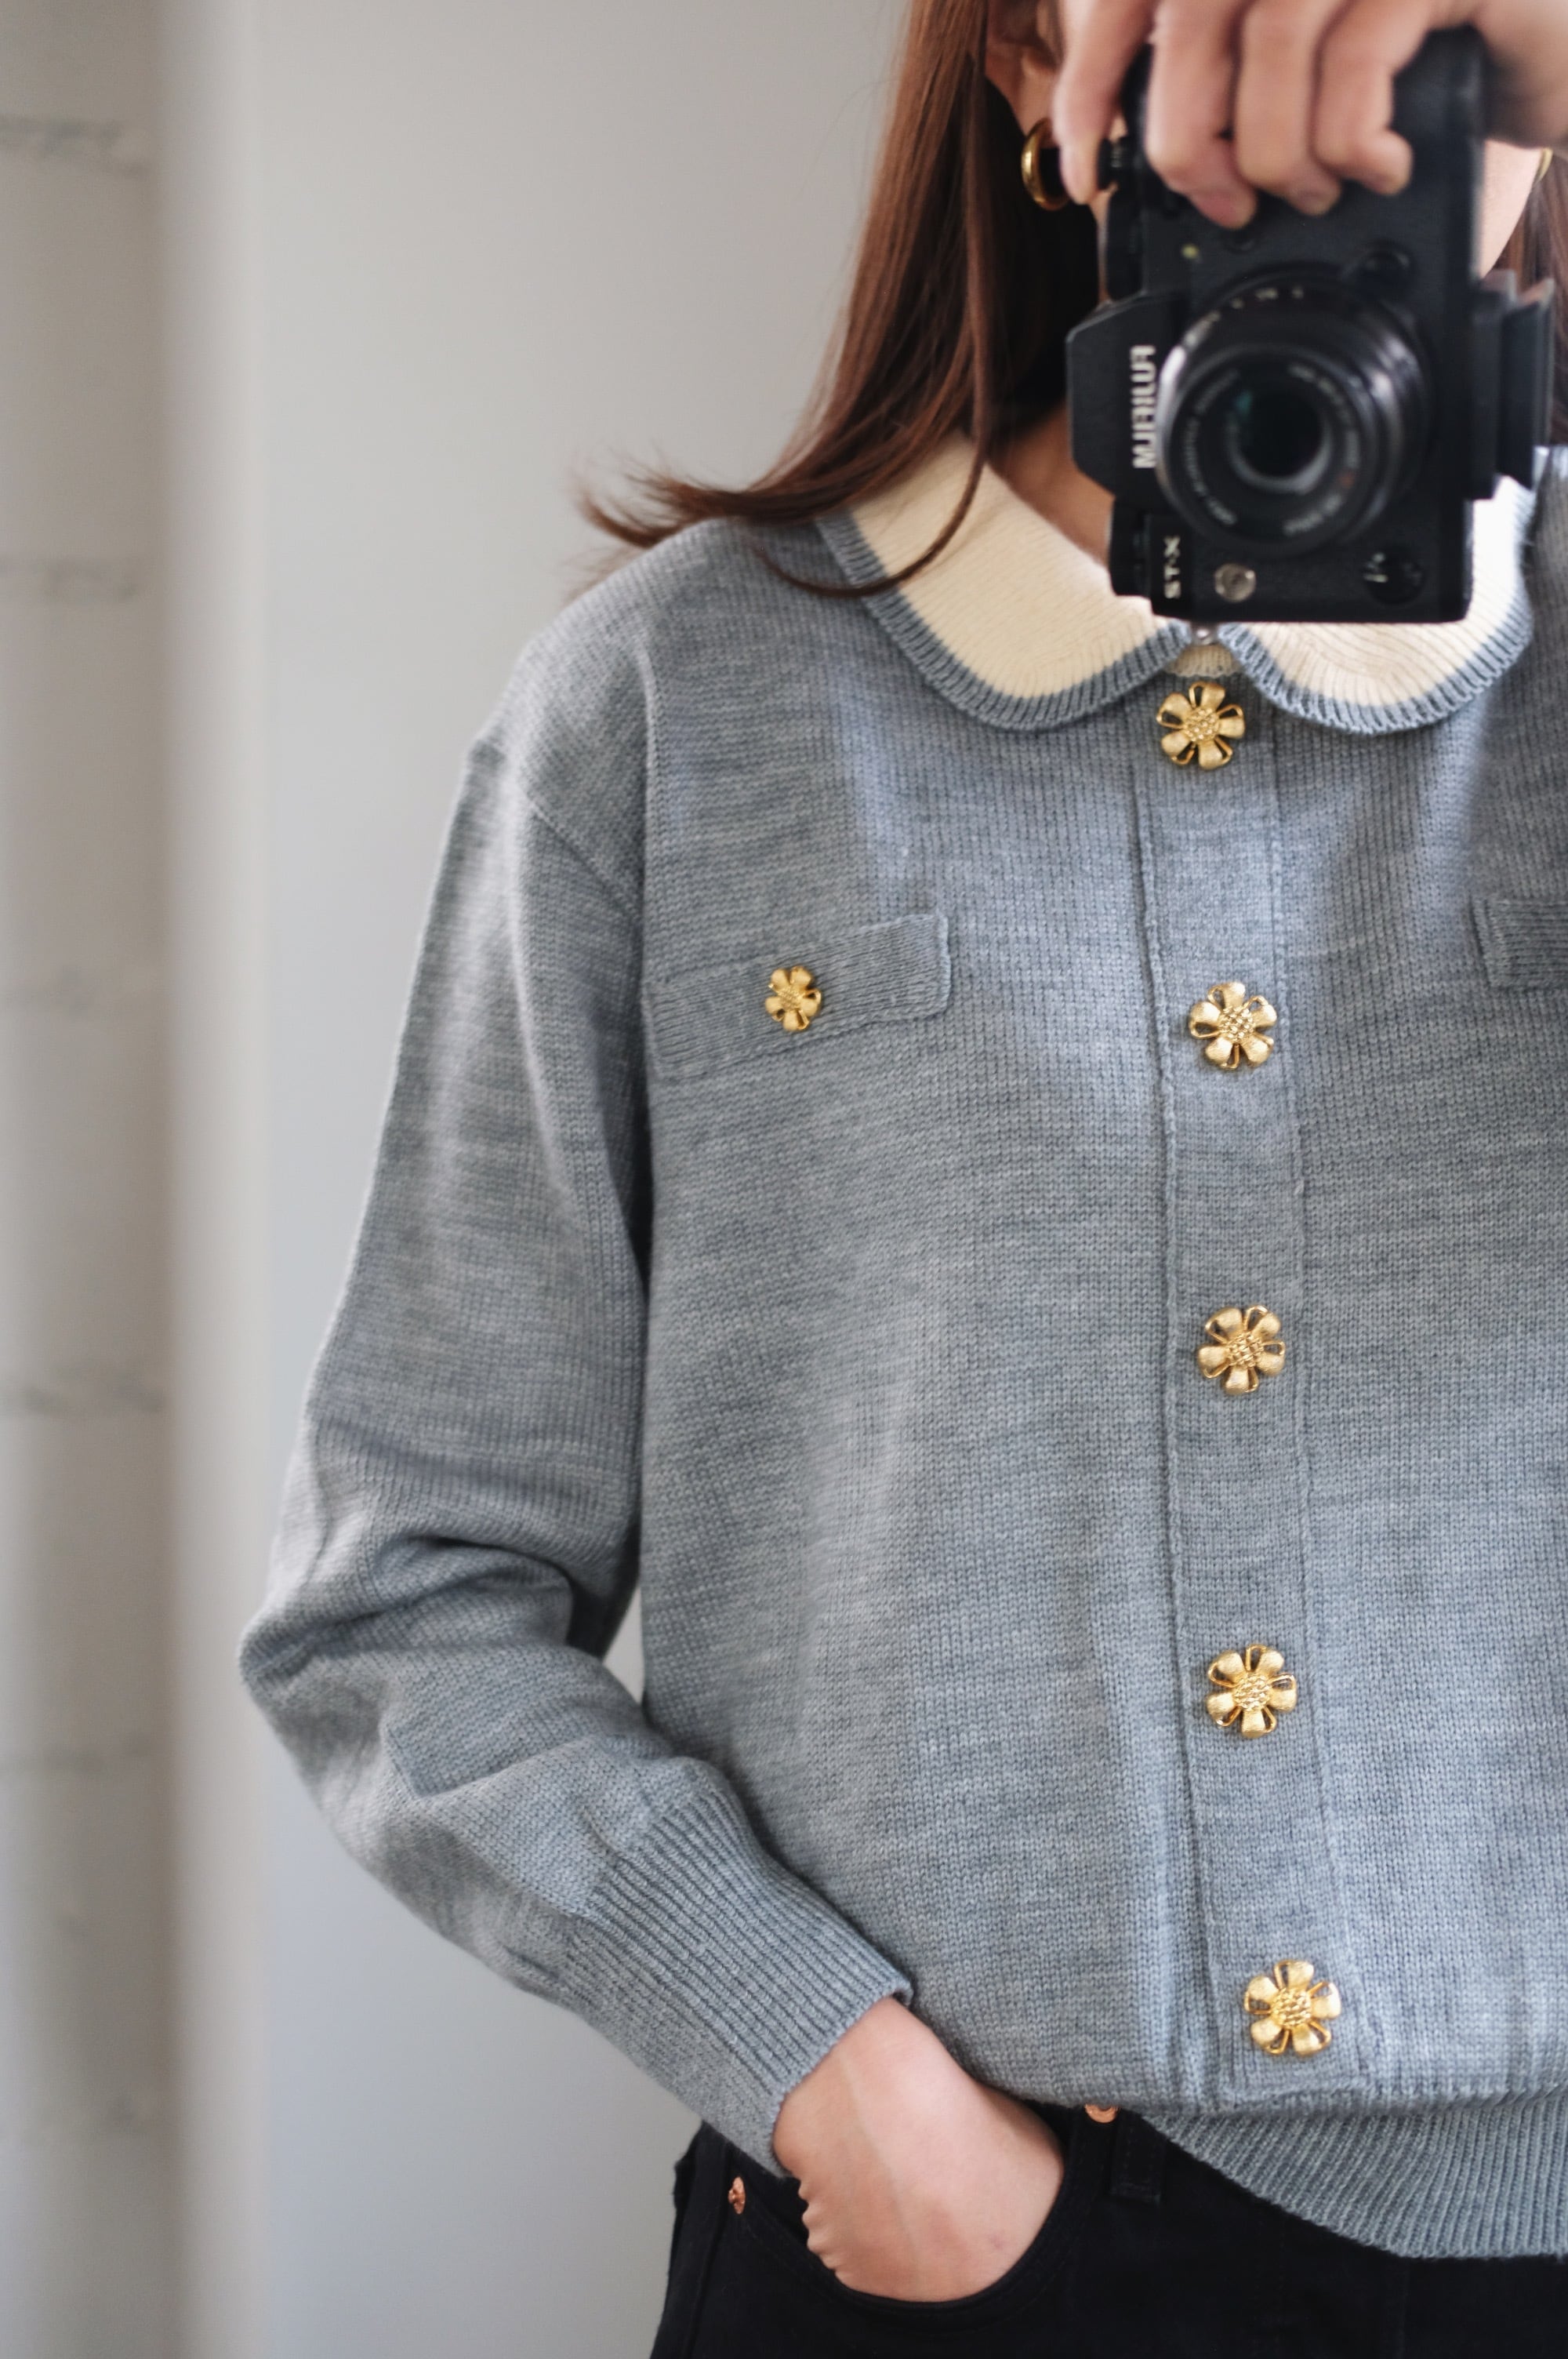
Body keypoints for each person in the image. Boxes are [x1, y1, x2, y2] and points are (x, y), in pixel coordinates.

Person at [240, 1, 1568, 2348]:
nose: (1328, 92)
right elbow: (399, 1594)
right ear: (1041, 61)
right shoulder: (677, 709)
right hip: (951, 2246)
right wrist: (821, 2067)